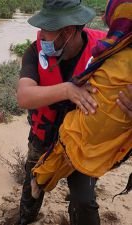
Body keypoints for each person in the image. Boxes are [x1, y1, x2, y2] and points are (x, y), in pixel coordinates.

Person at [16, 0, 131, 224]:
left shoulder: (106, 50)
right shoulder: (33, 51)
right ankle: (25, 219)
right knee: (32, 189)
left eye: (46, 29)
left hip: (82, 140)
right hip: (44, 138)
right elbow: (24, 96)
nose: (40, 34)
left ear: (68, 31)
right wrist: (68, 90)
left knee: (84, 201)